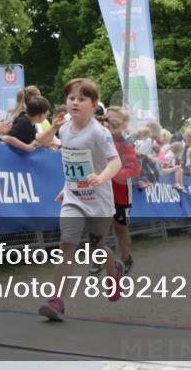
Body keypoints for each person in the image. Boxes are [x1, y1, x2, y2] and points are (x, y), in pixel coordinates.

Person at [38, 78, 124, 322]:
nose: (74, 103)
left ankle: (113, 269)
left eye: (81, 99)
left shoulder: (99, 133)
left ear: (94, 104)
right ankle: (56, 300)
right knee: (67, 244)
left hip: (99, 200)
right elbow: (42, 143)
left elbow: (115, 161)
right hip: (74, 198)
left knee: (96, 249)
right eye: (71, 98)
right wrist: (53, 128)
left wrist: (102, 177)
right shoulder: (64, 127)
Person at [91, 106, 141, 276]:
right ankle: (99, 259)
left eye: (115, 121)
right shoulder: (98, 139)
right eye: (107, 119)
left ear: (123, 125)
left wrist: (114, 173)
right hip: (101, 189)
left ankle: (126, 258)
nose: (109, 123)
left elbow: (134, 169)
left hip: (120, 191)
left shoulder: (125, 145)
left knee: (120, 228)